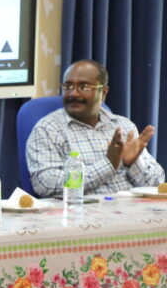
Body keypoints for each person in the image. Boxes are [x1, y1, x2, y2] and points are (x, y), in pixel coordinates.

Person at [27, 59, 164, 196]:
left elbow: (157, 184)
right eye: (68, 86)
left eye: (84, 87)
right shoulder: (47, 129)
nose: (74, 93)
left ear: (103, 92)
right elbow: (45, 184)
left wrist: (133, 163)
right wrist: (108, 164)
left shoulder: (124, 127)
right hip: (82, 208)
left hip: (131, 207)